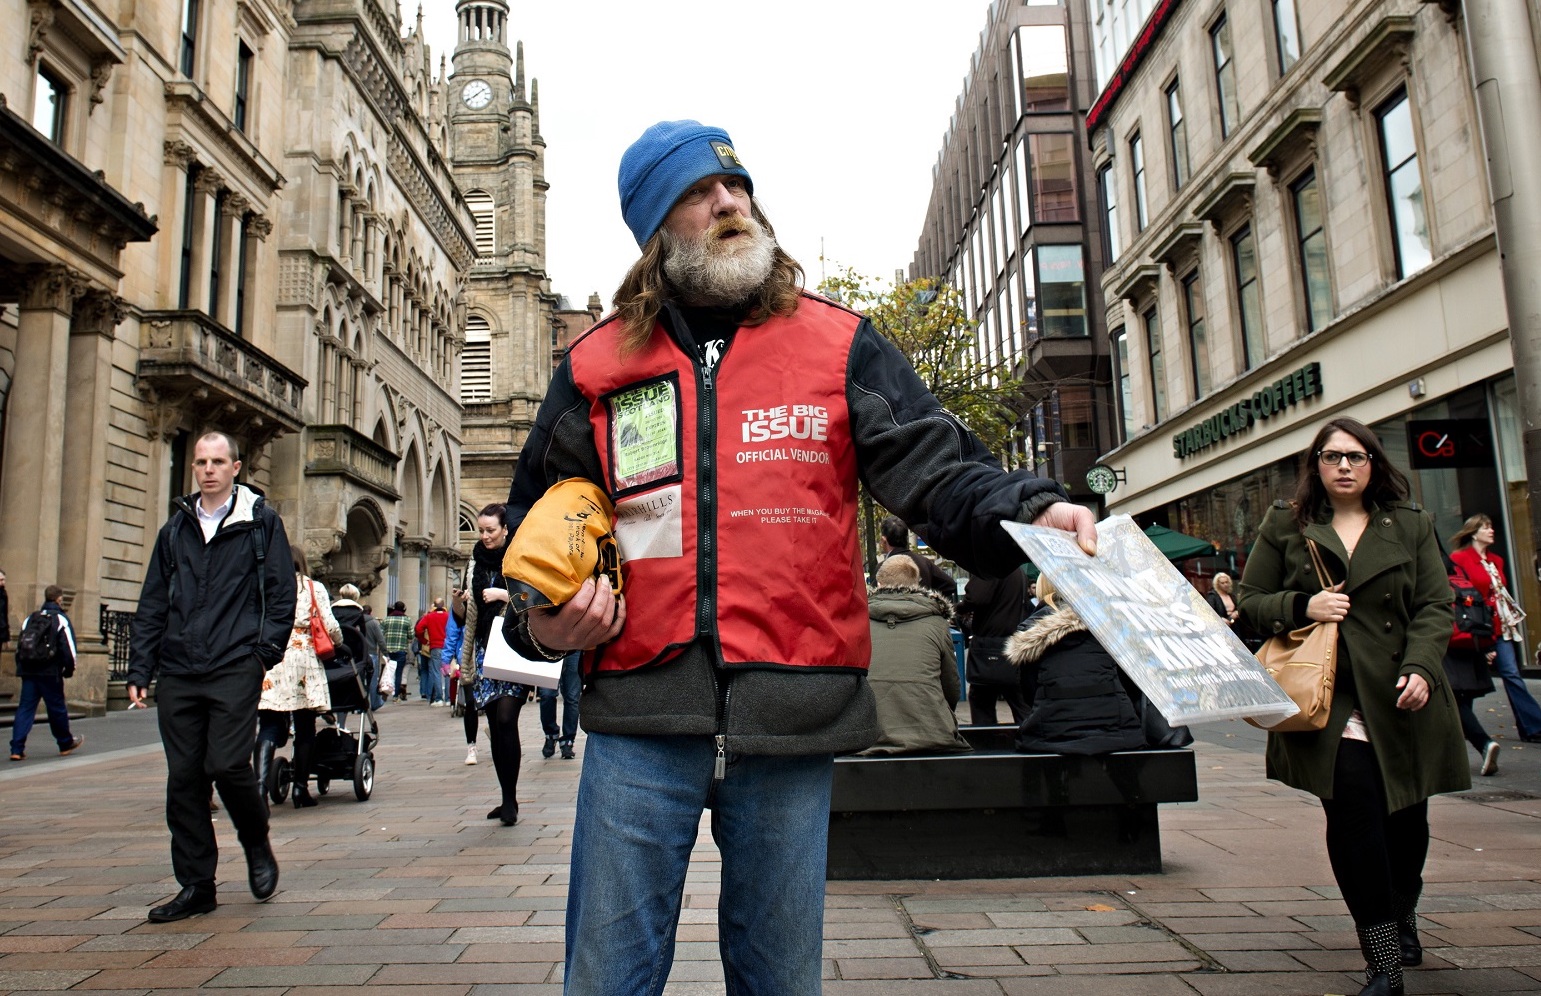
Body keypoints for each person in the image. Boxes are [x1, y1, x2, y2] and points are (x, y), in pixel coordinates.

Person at [502, 119, 1097, 994]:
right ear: (656, 227)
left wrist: (1032, 503)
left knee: (780, 980)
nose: (730, 203)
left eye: (738, 188)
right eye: (701, 194)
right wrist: (545, 623)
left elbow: (940, 472)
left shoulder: (838, 345)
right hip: (638, 718)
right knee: (604, 977)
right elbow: (527, 529)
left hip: (793, 714)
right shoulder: (595, 367)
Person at [1238, 416, 1467, 996]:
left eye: (1357, 457)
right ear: (1315, 465)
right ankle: (1383, 959)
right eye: (1333, 456)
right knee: (1355, 818)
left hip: (1403, 695)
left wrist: (1420, 667)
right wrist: (1302, 604)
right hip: (1330, 701)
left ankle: (1403, 910)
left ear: (1373, 465)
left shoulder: (1410, 524)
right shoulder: (1287, 525)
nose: (1345, 466)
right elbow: (1250, 602)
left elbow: (1436, 606)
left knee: (1407, 824)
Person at [126, 431, 294, 923]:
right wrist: (141, 665)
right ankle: (197, 885)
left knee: (226, 765)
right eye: (201, 461)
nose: (208, 470)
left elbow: (280, 595)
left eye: (218, 461)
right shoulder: (175, 528)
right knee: (184, 780)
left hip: (233, 664)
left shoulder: (260, 523)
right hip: (179, 667)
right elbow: (154, 599)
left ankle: (255, 840)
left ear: (236, 467)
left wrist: (261, 654)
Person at [1006, 572, 1146, 755]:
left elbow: (1029, 692)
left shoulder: (1030, 634)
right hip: (1117, 732)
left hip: (1051, 734)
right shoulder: (1111, 625)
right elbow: (1130, 684)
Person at [858, 556, 970, 755]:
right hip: (932, 736)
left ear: (879, 583)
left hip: (868, 738)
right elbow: (951, 688)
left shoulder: (856, 623)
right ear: (916, 584)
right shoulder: (937, 624)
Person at [254, 550, 339, 810]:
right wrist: (339, 642)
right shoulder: (313, 588)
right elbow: (330, 626)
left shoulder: (264, 586)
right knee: (305, 726)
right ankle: (300, 790)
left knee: (268, 724)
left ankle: (259, 791)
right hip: (304, 660)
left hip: (270, 659)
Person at [1449, 513, 1541, 743]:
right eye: (1486, 527)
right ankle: (1463, 732)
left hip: (1500, 627)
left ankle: (1533, 726)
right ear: (1473, 532)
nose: (1491, 531)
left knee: (1511, 674)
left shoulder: (1496, 560)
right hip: (1473, 626)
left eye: (1491, 527)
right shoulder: (1459, 558)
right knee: (1466, 686)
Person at [465, 503, 528, 823]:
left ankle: (511, 802)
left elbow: (538, 596)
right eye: (481, 530)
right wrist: (459, 602)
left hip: (514, 644)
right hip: (484, 649)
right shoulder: (474, 562)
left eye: (491, 530)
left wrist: (504, 596)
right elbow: (467, 617)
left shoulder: (520, 555)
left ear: (505, 529)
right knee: (495, 724)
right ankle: (507, 798)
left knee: (506, 719)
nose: (485, 536)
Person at [8, 585, 83, 761]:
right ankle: (65, 743)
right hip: (50, 671)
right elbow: (68, 648)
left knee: (25, 708)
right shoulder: (60, 619)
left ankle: (17, 748)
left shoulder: (31, 618)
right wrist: (69, 669)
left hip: (29, 670)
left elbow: (21, 645)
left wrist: (21, 666)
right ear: (59, 599)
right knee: (56, 708)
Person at [1442, 553, 1500, 775]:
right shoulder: (1455, 565)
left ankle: (1483, 743)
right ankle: (1457, 756)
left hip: (1447, 644)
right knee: (1460, 701)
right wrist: (1487, 647)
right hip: (1469, 640)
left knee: (1453, 703)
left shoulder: (1425, 561)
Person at [956, 565, 1033, 725]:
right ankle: (1030, 740)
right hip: (1014, 644)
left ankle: (987, 745)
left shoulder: (991, 566)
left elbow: (976, 597)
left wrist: (960, 608)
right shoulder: (1018, 571)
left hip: (988, 645)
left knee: (981, 703)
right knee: (1020, 703)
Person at [879, 515, 957, 605]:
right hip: (924, 614)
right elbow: (950, 585)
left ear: (884, 540)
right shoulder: (924, 563)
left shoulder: (882, 568)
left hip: (893, 617)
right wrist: (931, 602)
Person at [537, 653, 582, 760]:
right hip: (549, 648)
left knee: (572, 698)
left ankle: (568, 741)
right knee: (546, 694)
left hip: (574, 647)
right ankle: (551, 734)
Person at [414, 599, 449, 705]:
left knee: (436, 672)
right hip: (447, 646)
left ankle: (439, 698)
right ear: (443, 605)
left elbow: (418, 629)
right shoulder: (448, 616)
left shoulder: (429, 617)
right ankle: (448, 698)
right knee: (448, 673)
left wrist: (424, 641)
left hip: (435, 646)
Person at [381, 601, 412, 701]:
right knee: (398, 673)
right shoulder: (407, 620)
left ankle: (384, 691)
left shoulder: (386, 619)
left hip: (388, 649)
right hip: (401, 649)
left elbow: (381, 633)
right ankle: (395, 696)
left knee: (387, 671)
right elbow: (411, 635)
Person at [362, 603, 387, 708]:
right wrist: (385, 653)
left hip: (360, 655)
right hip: (371, 653)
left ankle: (361, 705)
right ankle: (375, 703)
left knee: (361, 680)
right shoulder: (373, 623)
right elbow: (380, 640)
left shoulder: (357, 622)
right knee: (372, 680)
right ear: (371, 612)